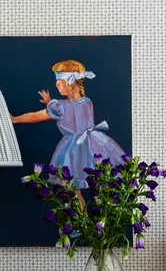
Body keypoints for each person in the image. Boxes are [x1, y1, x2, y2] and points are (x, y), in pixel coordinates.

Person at [11, 58, 125, 204]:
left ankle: (88, 214)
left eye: (59, 84)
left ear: (69, 84)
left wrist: (18, 118)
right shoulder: (87, 102)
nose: (57, 87)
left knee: (74, 188)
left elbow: (39, 116)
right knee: (94, 182)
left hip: (74, 149)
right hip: (93, 144)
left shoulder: (61, 106)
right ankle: (93, 214)